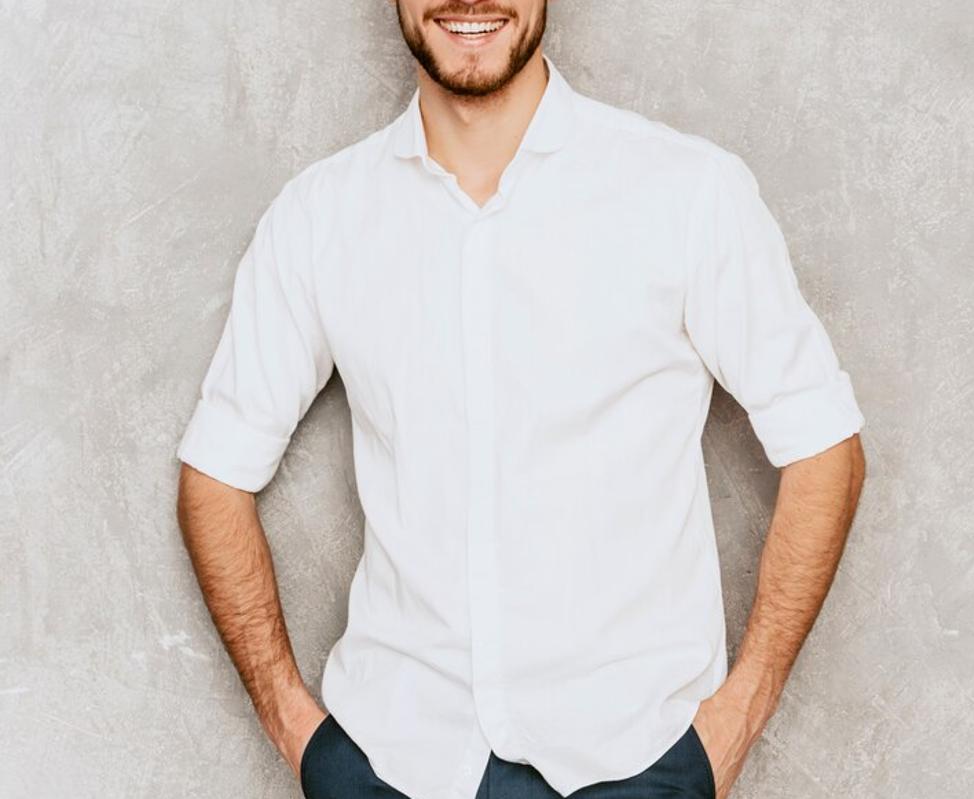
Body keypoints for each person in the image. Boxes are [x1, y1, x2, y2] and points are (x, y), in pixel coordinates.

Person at [174, 1, 867, 797]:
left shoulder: (687, 192)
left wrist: (732, 724)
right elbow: (214, 476)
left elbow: (826, 448)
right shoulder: (318, 217)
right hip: (392, 759)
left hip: (636, 759)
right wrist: (300, 734)